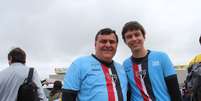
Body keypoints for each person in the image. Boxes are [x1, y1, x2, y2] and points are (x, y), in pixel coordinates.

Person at [121, 21, 182, 101]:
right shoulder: (125, 65)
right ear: (125, 41)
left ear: (144, 36)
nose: (134, 39)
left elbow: (175, 91)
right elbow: (128, 93)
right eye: (129, 37)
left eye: (137, 34)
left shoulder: (162, 57)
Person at [62, 28, 128, 101]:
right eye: (103, 41)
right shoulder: (79, 64)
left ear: (116, 45)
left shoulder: (122, 69)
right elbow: (67, 97)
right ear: (95, 44)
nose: (108, 45)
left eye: (112, 42)